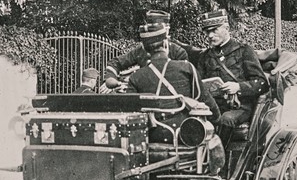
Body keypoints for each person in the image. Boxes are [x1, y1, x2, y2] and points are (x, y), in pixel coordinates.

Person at [173, 9, 269, 148]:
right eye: (207, 31)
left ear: (226, 28)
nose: (210, 35)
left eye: (214, 30)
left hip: (239, 107)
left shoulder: (244, 51)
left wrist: (238, 87)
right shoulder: (206, 56)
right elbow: (199, 84)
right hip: (212, 106)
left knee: (226, 119)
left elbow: (261, 83)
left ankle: (219, 161)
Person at [124, 21, 220, 144]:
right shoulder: (186, 67)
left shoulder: (136, 77)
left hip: (153, 136)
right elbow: (205, 100)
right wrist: (217, 119)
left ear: (144, 48)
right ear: (165, 43)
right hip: (185, 134)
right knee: (215, 142)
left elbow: (132, 111)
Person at [103, 10, 188, 90]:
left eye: (158, 28)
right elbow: (115, 63)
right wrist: (113, 80)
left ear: (167, 29)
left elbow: (182, 81)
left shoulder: (178, 52)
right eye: (151, 28)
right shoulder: (141, 50)